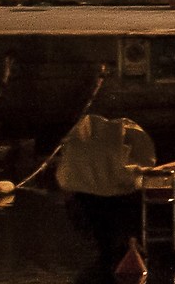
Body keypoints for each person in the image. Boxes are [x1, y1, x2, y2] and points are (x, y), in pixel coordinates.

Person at [55, 111, 157, 263]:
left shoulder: (86, 141)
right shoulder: (116, 142)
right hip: (110, 195)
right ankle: (122, 252)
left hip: (89, 194)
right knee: (113, 231)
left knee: (104, 235)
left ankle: (112, 255)